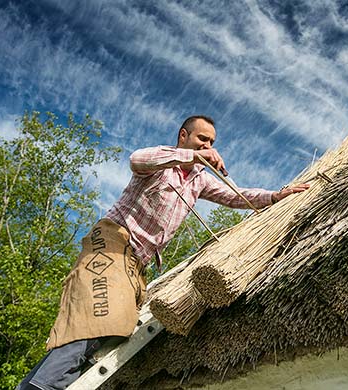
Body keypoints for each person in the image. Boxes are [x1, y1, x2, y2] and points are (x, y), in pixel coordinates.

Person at [16, 115, 309, 389]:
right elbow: (137, 159)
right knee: (100, 314)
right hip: (111, 244)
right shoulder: (162, 161)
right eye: (202, 139)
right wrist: (191, 155)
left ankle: (32, 384)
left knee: (116, 327)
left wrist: (275, 196)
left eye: (212, 143)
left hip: (136, 264)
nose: (207, 146)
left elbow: (235, 196)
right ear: (184, 136)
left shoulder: (199, 179)